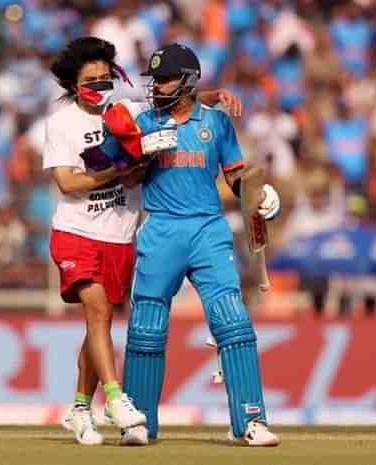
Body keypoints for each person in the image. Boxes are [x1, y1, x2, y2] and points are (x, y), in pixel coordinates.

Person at [43, 37, 243, 446]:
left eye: (105, 79)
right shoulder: (61, 122)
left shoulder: (129, 112)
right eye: (90, 81)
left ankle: (81, 408)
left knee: (98, 323)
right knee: (97, 310)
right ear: (72, 85)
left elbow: (175, 97)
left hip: (119, 234)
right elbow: (66, 182)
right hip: (76, 231)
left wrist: (215, 95)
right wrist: (121, 168)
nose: (100, 87)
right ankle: (116, 400)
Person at [111, 43, 281, 446]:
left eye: (166, 79)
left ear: (187, 81)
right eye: (156, 80)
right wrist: (142, 156)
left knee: (232, 321)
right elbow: (127, 180)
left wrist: (260, 194)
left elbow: (237, 177)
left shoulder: (218, 124)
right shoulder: (144, 122)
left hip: (208, 229)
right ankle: (139, 423)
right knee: (146, 328)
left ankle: (250, 421)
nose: (157, 86)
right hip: (161, 228)